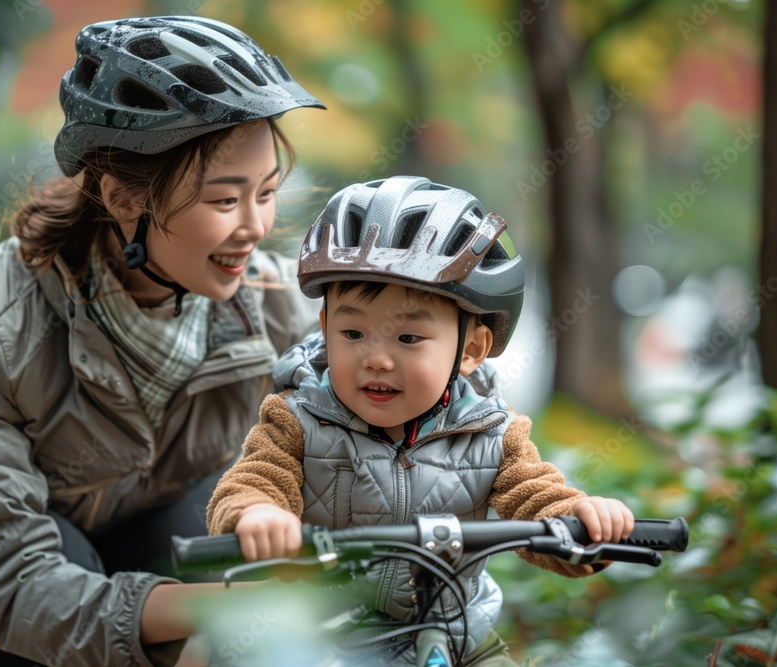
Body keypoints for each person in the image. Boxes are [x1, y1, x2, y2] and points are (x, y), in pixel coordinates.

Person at [0, 15, 324, 667]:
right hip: (3, 555)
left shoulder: (272, 302)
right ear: (122, 198)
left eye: (266, 193)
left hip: (158, 517)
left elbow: (384, 395)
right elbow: (13, 575)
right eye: (226, 200)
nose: (257, 227)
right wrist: (207, 610)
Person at [206, 175, 636, 666]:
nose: (376, 359)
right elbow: (254, 479)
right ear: (324, 330)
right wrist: (258, 514)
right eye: (352, 332)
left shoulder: (491, 434)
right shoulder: (296, 421)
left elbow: (534, 496)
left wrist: (580, 526)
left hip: (458, 637)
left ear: (471, 349)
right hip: (328, 645)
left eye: (408, 338)